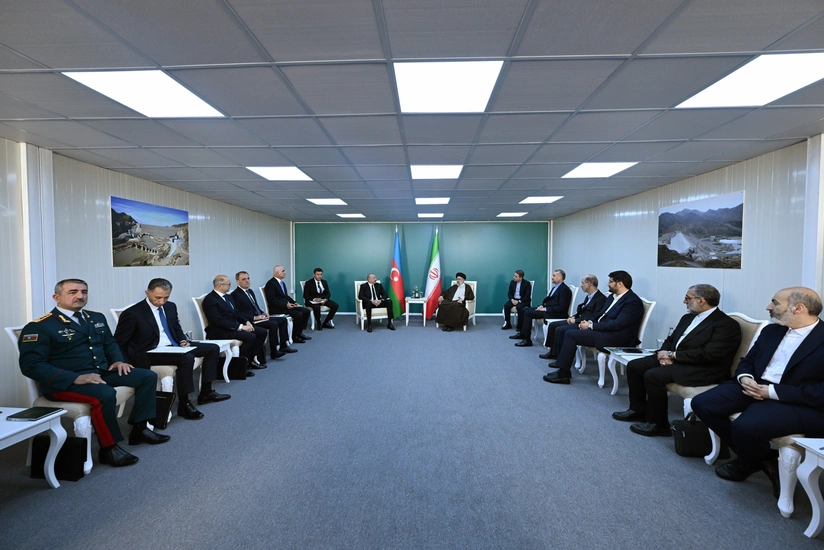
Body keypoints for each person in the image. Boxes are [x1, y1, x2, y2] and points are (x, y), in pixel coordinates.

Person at [17, 278, 168, 468]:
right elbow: (31, 365)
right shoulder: (40, 326)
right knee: (104, 394)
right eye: (73, 292)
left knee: (147, 376)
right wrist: (76, 378)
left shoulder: (95, 318)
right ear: (57, 297)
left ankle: (140, 428)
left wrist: (117, 360)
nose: (80, 296)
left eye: (84, 292)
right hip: (64, 382)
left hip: (99, 372)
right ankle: (109, 448)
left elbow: (110, 343)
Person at [692, 287, 824, 495]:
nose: (768, 307)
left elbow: (820, 391)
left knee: (745, 427)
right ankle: (762, 460)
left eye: (775, 302)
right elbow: (749, 361)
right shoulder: (772, 330)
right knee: (702, 404)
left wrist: (771, 392)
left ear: (798, 308)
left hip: (793, 400)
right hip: (754, 385)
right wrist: (746, 378)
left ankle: (745, 462)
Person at [612, 284, 741, 437]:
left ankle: (658, 424)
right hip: (678, 359)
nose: (684, 301)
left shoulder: (726, 325)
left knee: (653, 375)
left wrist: (673, 356)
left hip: (704, 369)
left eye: (688, 298)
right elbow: (671, 339)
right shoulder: (688, 317)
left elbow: (709, 354)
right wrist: (662, 354)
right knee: (635, 366)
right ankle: (638, 410)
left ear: (701, 300)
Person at [115, 278, 230, 420]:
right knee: (186, 358)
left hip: (173, 346)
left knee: (212, 348)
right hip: (148, 352)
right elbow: (119, 341)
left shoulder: (170, 306)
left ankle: (206, 393)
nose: (162, 301)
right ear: (147, 293)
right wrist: (122, 361)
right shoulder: (133, 313)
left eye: (166, 297)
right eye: (158, 297)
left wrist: (182, 340)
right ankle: (184, 403)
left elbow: (176, 327)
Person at [543, 270, 644, 385]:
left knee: (571, 334)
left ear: (620, 283)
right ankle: (562, 369)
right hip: (604, 331)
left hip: (616, 338)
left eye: (610, 282)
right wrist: (589, 322)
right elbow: (600, 314)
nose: (607, 284)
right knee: (568, 330)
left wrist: (591, 326)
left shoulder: (633, 302)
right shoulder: (612, 297)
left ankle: (563, 374)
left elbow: (617, 324)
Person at [202, 274, 268, 376]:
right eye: (228, 284)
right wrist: (241, 327)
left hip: (233, 327)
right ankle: (240, 367)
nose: (230, 286)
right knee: (250, 336)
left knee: (262, 332)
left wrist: (246, 322)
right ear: (220, 285)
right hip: (219, 330)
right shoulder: (210, 300)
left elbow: (237, 313)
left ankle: (249, 360)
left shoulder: (228, 297)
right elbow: (218, 321)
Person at [539, 274, 606, 360]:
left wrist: (576, 321)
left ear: (589, 284)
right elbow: (582, 311)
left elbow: (594, 316)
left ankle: (560, 356)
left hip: (585, 324)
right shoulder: (589, 296)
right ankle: (553, 352)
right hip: (579, 320)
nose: (581, 285)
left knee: (561, 329)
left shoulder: (601, 299)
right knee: (553, 325)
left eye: (582, 283)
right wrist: (573, 317)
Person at [231, 271, 296, 358]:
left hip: (259, 318)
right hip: (250, 321)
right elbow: (239, 313)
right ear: (237, 281)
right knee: (273, 324)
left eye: (248, 278)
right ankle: (274, 351)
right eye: (244, 279)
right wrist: (255, 317)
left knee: (283, 320)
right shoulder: (236, 294)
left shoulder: (250, 291)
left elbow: (256, 307)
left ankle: (283, 346)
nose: (247, 281)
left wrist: (263, 313)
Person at [512, 269, 572, 347]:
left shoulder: (565, 290)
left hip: (555, 313)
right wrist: (543, 306)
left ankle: (527, 340)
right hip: (548, 309)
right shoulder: (556, 288)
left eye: (554, 275)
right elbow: (551, 301)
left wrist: (545, 309)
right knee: (524, 310)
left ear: (560, 277)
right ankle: (522, 333)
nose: (551, 277)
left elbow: (562, 307)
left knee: (527, 312)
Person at [264, 265, 312, 343]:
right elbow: (272, 300)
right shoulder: (271, 284)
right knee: (298, 314)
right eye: (283, 271)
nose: (285, 272)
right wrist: (285, 305)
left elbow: (285, 296)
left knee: (306, 311)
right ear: (277, 273)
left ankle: (299, 332)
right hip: (277, 309)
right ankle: (294, 336)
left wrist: (294, 302)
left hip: (285, 306)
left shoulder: (281, 283)